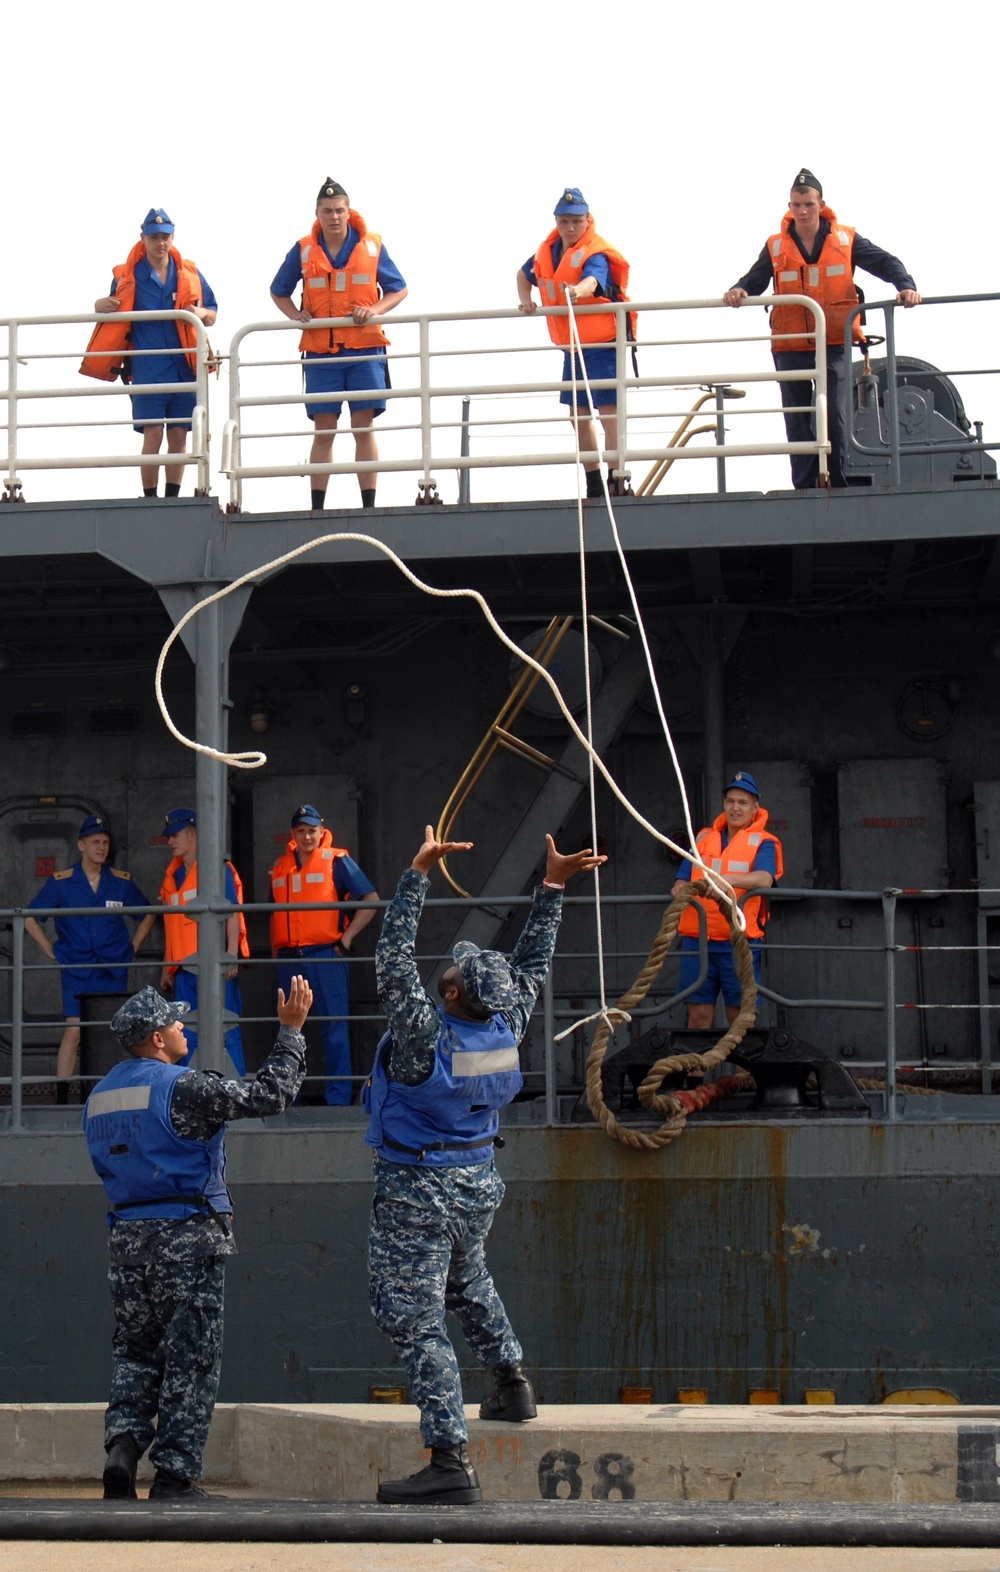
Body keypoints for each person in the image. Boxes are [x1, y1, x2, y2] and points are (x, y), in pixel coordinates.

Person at [367, 825, 606, 1505]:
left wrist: (417, 874)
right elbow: (533, 961)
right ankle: (511, 1384)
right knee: (467, 1280)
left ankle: (448, 1458)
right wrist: (553, 884)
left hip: (418, 1184)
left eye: (447, 970)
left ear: (447, 995)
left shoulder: (423, 1040)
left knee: (415, 1318)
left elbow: (390, 955)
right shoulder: (507, 1019)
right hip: (477, 1180)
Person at [84, 977, 313, 1501]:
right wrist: (291, 1033)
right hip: (186, 1237)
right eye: (174, 1021)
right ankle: (174, 1476)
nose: (182, 1026)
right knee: (193, 1357)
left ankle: (122, 1449)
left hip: (127, 1240)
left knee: (135, 1351)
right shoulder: (182, 1086)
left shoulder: (100, 1096)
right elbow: (269, 1095)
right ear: (156, 1039)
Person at [723, 168, 921, 489]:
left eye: (808, 205)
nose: (802, 211)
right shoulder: (775, 246)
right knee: (798, 415)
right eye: (796, 205)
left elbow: (887, 262)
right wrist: (739, 289)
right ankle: (804, 484)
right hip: (790, 346)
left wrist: (906, 286)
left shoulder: (846, 240)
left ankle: (836, 481)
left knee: (832, 412)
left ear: (821, 205)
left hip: (833, 342)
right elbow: (755, 279)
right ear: (789, 207)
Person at [270, 177, 408, 512]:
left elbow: (399, 288)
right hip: (320, 354)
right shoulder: (303, 249)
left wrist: (373, 310)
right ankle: (318, 507)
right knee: (324, 430)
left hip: (364, 351)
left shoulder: (372, 246)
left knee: (363, 427)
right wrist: (297, 315)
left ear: (349, 212)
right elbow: (278, 290)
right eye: (328, 211)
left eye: (340, 210)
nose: (334, 216)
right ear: (317, 213)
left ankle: (369, 505)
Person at [82, 209, 217, 499]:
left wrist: (200, 312)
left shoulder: (190, 273)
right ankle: (149, 498)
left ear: (173, 237)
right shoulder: (129, 275)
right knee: (153, 432)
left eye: (165, 237)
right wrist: (98, 304)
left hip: (184, 365)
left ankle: (172, 497)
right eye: (154, 237)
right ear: (142, 238)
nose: (160, 243)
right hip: (147, 365)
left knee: (179, 434)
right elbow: (110, 305)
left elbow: (212, 314)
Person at [25, 814, 156, 1099]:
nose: (101, 847)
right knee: (74, 1032)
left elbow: (147, 914)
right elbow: (30, 919)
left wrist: (132, 946)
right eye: (95, 842)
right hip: (77, 968)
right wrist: (50, 950)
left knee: (112, 1034)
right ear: (81, 845)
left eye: (105, 842)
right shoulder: (62, 882)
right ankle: (62, 1097)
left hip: (112, 967)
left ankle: (110, 1094)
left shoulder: (120, 882)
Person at [517, 187, 633, 498]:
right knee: (577, 413)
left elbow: (594, 279)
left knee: (609, 411)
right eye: (565, 221)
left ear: (587, 221)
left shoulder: (595, 251)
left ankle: (617, 477)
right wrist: (525, 300)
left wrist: (577, 292)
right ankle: (594, 482)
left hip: (603, 342)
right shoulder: (548, 251)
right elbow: (523, 274)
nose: (570, 228)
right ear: (556, 221)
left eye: (577, 222)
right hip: (573, 347)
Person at [270, 803, 380, 1105]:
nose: (307, 837)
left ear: (322, 831)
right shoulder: (280, 867)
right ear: (293, 833)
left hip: (325, 956)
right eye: (302, 831)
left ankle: (338, 1099)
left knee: (334, 1027)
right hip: (290, 959)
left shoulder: (337, 860)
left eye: (312, 831)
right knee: (289, 1029)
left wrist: (346, 939)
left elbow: (371, 899)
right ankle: (289, 1098)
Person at [672, 772, 783, 1029]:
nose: (735, 808)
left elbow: (765, 879)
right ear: (724, 804)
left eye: (743, 803)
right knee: (698, 1019)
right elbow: (682, 876)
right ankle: (696, 1071)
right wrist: (679, 887)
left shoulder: (764, 843)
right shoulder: (702, 838)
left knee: (740, 1017)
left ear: (755, 807)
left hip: (738, 943)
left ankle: (742, 1072)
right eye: (730, 801)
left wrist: (725, 879)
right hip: (697, 943)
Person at [158, 808, 248, 1075]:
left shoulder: (218, 870)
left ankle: (236, 1092)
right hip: (183, 970)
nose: (170, 842)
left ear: (193, 834)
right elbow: (171, 926)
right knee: (185, 1035)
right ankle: (191, 1092)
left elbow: (230, 911)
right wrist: (167, 967)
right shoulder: (172, 876)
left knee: (226, 1030)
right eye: (168, 837)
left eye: (175, 835)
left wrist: (230, 954)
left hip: (214, 967)